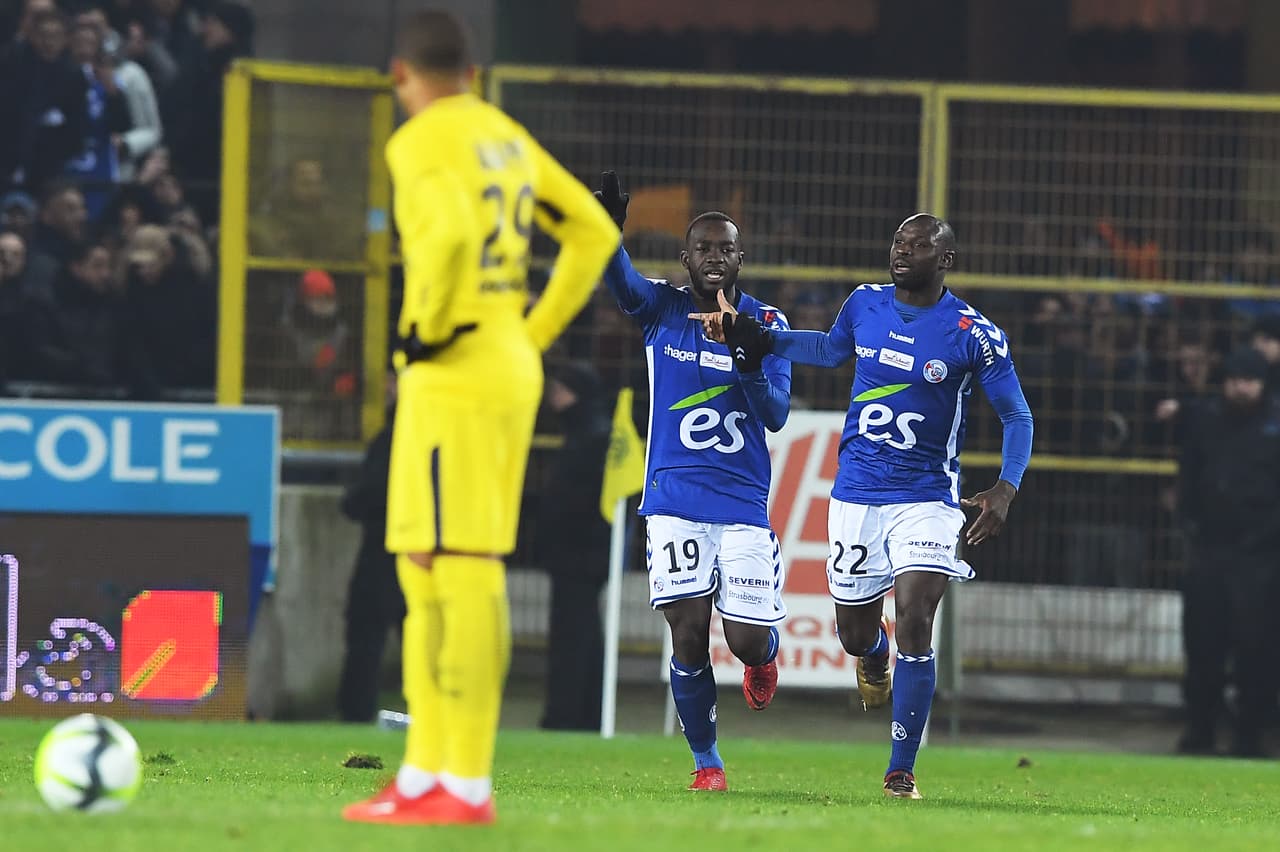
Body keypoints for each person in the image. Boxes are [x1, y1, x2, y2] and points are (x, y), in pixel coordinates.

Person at [340, 10, 619, 827]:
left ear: (401, 74)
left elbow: (455, 233)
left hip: (454, 368)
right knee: (427, 564)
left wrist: (428, 329)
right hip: (499, 361)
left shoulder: (419, 141)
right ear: (473, 74)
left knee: (457, 567)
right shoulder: (504, 135)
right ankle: (424, 773)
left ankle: (462, 780)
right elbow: (594, 229)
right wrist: (531, 332)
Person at [693, 213, 1033, 798]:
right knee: (854, 632)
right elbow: (829, 351)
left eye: (919, 245)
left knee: (917, 617)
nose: (903, 251)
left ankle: (901, 770)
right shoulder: (864, 304)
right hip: (856, 494)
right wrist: (758, 336)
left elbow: (1017, 415)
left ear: (945, 260)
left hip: (926, 497)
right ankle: (873, 653)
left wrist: (1006, 486)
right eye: (899, 242)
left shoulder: (974, 334)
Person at [597, 171, 792, 792]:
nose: (714, 257)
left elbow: (776, 415)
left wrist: (746, 355)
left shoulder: (766, 321)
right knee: (686, 632)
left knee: (745, 640)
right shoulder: (663, 308)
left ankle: (764, 656)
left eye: (725, 249)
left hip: (740, 503)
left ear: (741, 259)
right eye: (702, 248)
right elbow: (621, 283)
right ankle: (708, 764)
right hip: (673, 499)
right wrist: (608, 234)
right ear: (685, 259)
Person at [1176, 347, 1280, 758]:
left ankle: (1249, 735)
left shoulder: (1274, 423)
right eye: (1235, 380)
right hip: (1210, 549)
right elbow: (1189, 475)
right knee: (1203, 645)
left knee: (1257, 649)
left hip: (1262, 555)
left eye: (1249, 381)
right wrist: (1191, 523)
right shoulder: (1206, 419)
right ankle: (1200, 729)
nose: (1241, 388)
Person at [536, 363, 611, 732]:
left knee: (573, 637)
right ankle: (583, 714)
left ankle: (566, 714)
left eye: (559, 389)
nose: (553, 397)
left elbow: (575, 498)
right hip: (582, 555)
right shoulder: (588, 433)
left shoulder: (590, 438)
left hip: (578, 555)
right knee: (583, 636)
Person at [336, 368, 404, 723]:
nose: (387, 387)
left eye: (394, 380)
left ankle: (356, 711)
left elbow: (373, 491)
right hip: (420, 547)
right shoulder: (431, 434)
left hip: (383, 548)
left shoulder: (394, 438)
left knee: (365, 631)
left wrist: (351, 502)